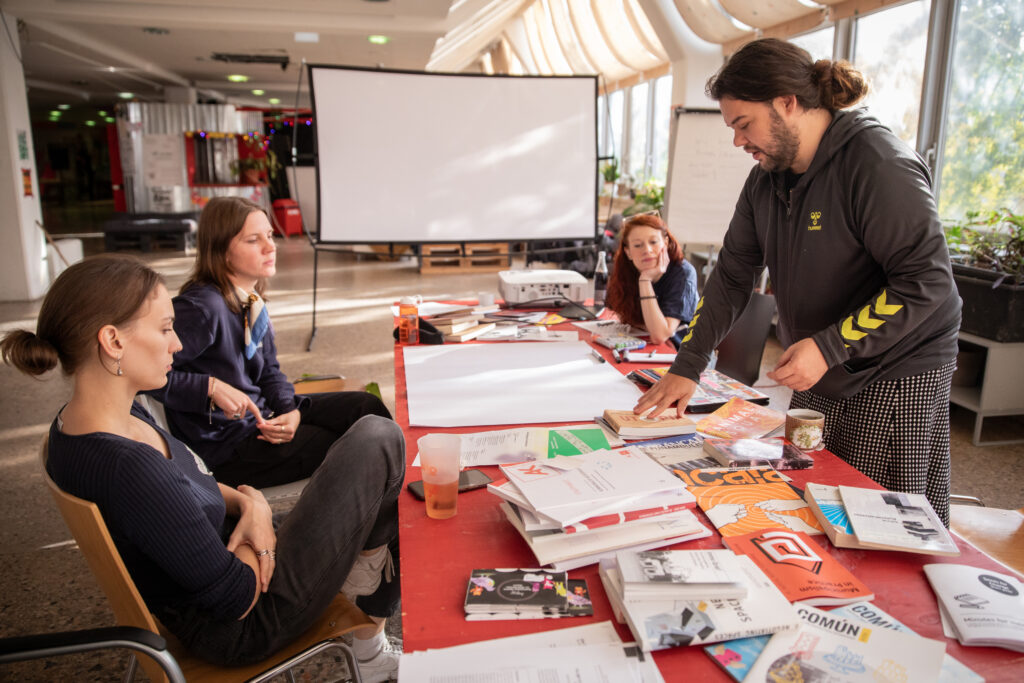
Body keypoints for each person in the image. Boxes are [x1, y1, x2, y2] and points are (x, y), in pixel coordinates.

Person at [1, 255, 404, 681]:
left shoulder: (89, 420)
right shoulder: (128, 469)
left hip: (227, 554)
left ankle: (364, 576)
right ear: (113, 341)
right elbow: (236, 598)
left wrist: (248, 504)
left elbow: (193, 485)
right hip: (247, 620)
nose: (177, 344)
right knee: (380, 439)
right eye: (164, 329)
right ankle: (368, 617)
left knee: (377, 463)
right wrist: (261, 519)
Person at [635, 38, 961, 524]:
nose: (738, 141)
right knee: (812, 488)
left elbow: (927, 281)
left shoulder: (877, 164)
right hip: (820, 359)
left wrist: (828, 347)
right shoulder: (767, 177)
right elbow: (732, 275)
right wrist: (689, 363)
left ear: (788, 102)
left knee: (874, 513)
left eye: (744, 124)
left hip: (894, 368)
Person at [154, 196, 392, 489]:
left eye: (269, 235)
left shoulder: (250, 300)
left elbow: (269, 370)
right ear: (222, 251)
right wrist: (209, 387)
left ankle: (404, 493)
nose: (271, 247)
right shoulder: (202, 309)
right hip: (230, 449)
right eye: (254, 240)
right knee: (359, 442)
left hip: (262, 417)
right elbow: (145, 376)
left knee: (365, 408)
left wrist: (289, 410)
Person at [605, 213, 698, 346]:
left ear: (665, 243)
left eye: (653, 242)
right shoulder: (627, 270)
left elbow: (659, 336)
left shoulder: (683, 272)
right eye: (637, 245)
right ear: (628, 252)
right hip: (644, 346)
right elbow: (622, 316)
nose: (647, 250)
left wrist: (645, 280)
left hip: (682, 355)